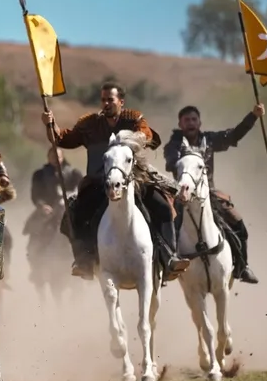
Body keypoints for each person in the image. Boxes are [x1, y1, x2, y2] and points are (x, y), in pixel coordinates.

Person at [42, 81, 189, 280]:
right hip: (97, 184)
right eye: (103, 100)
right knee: (75, 214)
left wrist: (134, 137)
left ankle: (169, 256)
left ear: (121, 101)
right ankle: (84, 260)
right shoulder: (89, 125)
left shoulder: (133, 119)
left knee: (162, 206)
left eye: (110, 100)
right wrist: (51, 124)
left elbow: (148, 135)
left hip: (134, 182)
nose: (105, 104)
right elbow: (62, 139)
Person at [162, 103, 264, 284]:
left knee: (238, 223)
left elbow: (233, 135)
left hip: (208, 193)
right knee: (168, 225)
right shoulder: (174, 145)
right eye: (187, 120)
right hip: (182, 193)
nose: (191, 123)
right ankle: (167, 265)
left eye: (194, 119)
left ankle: (242, 266)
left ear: (200, 122)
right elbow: (171, 163)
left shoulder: (208, 140)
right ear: (180, 124)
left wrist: (253, 116)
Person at [23, 145, 84, 269]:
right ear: (48, 158)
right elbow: (36, 194)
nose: (55, 159)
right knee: (36, 233)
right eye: (52, 157)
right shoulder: (39, 175)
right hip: (47, 211)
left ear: (62, 157)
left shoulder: (74, 173)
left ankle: (85, 262)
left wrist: (70, 201)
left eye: (58, 157)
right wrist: (42, 205)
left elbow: (81, 191)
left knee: (84, 231)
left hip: (69, 210)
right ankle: (36, 267)